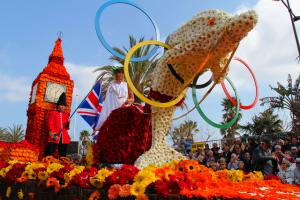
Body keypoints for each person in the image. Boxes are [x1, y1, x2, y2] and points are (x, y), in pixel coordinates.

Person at [94, 67, 134, 132]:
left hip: (123, 109)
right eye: (117, 74)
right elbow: (107, 101)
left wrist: (128, 100)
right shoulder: (111, 86)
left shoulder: (127, 85)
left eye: (121, 74)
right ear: (115, 75)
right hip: (112, 110)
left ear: (123, 75)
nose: (119, 75)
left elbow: (132, 98)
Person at [45, 93, 70, 157]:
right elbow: (50, 124)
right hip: (54, 135)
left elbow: (67, 128)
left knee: (63, 155)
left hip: (64, 137)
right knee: (49, 153)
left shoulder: (66, 115)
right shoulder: (53, 113)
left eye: (63, 105)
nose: (62, 106)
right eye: (61, 105)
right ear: (58, 106)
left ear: (65, 107)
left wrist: (68, 122)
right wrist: (53, 134)